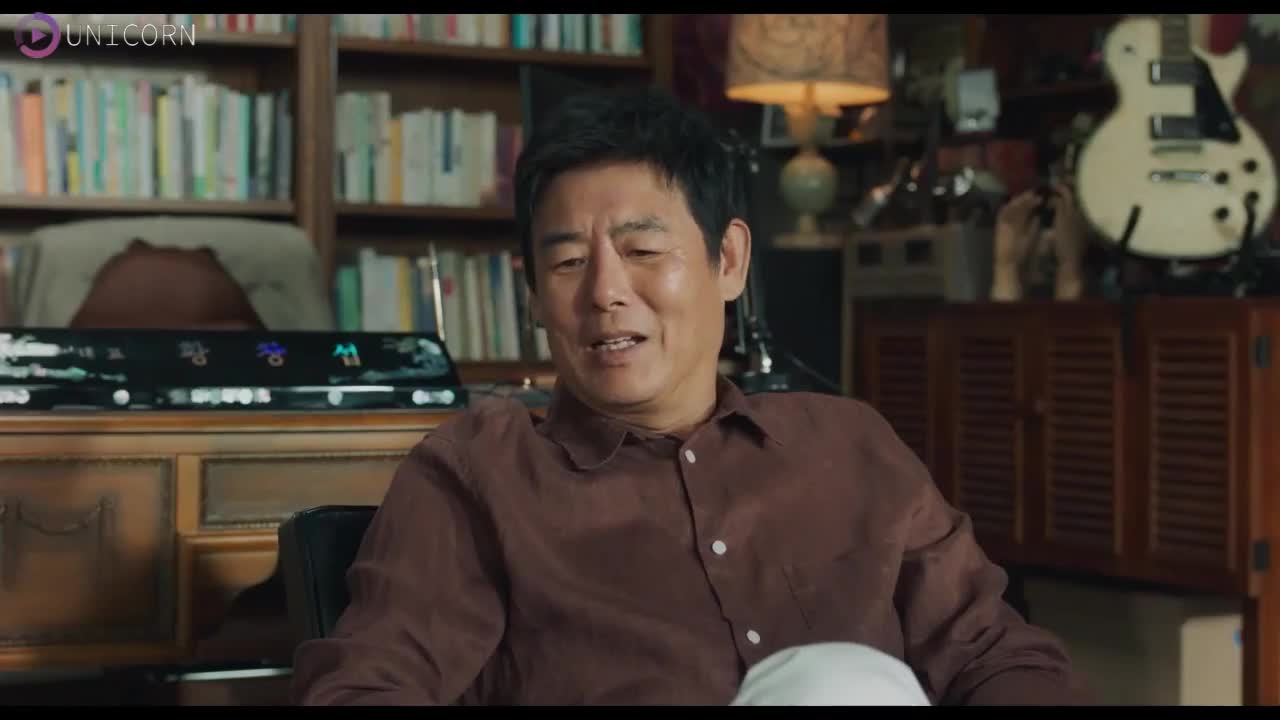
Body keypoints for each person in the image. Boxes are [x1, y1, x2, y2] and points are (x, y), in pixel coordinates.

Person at [289, 88, 1093, 706]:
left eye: (643, 250)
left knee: (840, 683)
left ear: (729, 262)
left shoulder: (850, 446)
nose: (606, 292)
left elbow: (994, 654)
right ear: (532, 294)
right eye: (568, 263)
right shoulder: (479, 474)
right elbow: (367, 687)